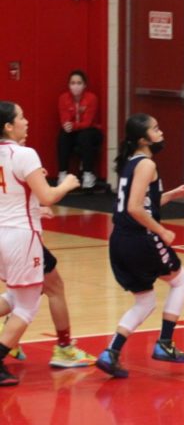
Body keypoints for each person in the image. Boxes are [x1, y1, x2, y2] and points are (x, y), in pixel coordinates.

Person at [95, 113, 184, 379]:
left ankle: (111, 352)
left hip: (120, 240)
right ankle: (165, 343)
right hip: (139, 238)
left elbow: (142, 204)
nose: (161, 132)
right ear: (143, 139)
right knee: (181, 281)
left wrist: (172, 194)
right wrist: (161, 230)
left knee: (145, 299)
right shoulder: (147, 164)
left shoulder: (132, 163)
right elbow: (134, 208)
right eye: (156, 129)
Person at [0, 101, 80, 386]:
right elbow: (47, 195)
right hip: (22, 236)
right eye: (21, 117)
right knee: (27, 306)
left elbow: (16, 196)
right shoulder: (24, 154)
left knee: (14, 297)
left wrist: (34, 206)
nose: (27, 121)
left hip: (3, 233)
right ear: (8, 125)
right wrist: (68, 184)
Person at [57, 70, 103, 189]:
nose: (75, 86)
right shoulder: (63, 98)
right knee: (63, 135)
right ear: (69, 85)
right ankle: (62, 173)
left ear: (84, 85)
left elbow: (87, 122)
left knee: (85, 136)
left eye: (79, 83)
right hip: (72, 131)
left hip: (91, 131)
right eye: (73, 83)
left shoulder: (91, 98)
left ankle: (88, 173)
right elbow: (65, 119)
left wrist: (73, 126)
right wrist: (68, 126)